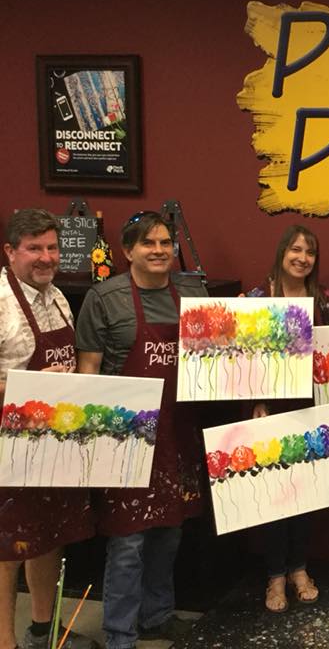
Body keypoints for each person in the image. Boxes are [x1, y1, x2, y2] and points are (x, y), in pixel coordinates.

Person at [75, 211, 206, 649]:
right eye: (148, 243)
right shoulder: (104, 298)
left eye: (166, 242)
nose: (159, 250)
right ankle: (120, 633)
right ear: (127, 251)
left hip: (178, 430)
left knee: (170, 532)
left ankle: (157, 616)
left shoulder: (192, 292)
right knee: (128, 540)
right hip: (125, 436)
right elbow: (88, 371)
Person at [0, 209, 97, 649]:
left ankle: (44, 628)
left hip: (52, 444)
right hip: (7, 446)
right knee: (7, 549)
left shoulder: (57, 297)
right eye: (34, 248)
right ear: (10, 252)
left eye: (52, 247)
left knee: (47, 537)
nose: (46, 257)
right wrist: (27, 389)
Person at [247, 225, 329, 613]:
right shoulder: (257, 297)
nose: (302, 258)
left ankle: (299, 569)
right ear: (282, 252)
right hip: (270, 406)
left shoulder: (323, 300)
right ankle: (275, 576)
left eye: (310, 252)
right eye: (296, 250)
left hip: (311, 404)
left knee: (305, 495)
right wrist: (257, 400)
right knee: (274, 496)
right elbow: (245, 357)